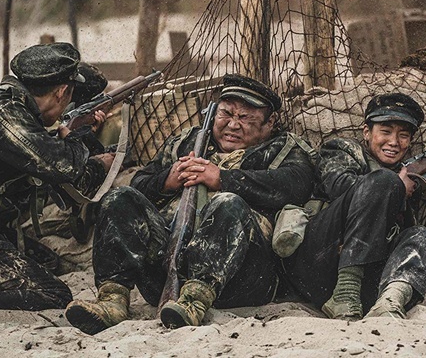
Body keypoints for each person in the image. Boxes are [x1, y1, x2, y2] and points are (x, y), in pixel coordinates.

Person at [64, 74, 318, 334]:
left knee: (228, 203)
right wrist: (166, 181)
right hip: (165, 270)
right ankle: (112, 300)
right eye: (226, 114)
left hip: (241, 280)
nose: (233, 124)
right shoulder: (187, 142)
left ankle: (195, 302)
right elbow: (140, 182)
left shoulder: (284, 149)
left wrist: (222, 179)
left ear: (269, 123)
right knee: (120, 198)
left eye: (245, 118)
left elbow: (296, 185)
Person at [0, 43, 113, 323]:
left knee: (47, 262)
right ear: (61, 92)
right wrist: (80, 138)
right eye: (69, 96)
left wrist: (80, 135)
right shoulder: (5, 115)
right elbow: (65, 167)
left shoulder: (8, 106)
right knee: (51, 292)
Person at [281, 92, 426, 320]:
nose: (394, 142)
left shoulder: (403, 177)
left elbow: (394, 238)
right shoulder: (342, 149)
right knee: (385, 181)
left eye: (403, 135)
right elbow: (339, 187)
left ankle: (389, 303)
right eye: (386, 131)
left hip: (364, 281)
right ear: (367, 132)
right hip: (319, 262)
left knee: (423, 236)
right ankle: (345, 293)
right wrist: (396, 186)